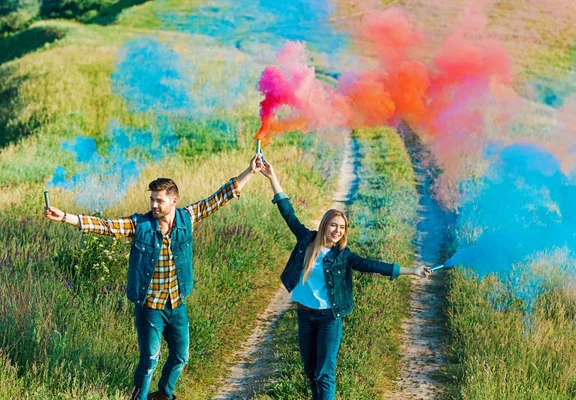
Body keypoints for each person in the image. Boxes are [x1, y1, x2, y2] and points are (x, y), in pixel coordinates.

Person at [44, 155, 263, 400]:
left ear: (173, 201)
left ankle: (165, 394)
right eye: (152, 200)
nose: (154, 205)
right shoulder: (141, 226)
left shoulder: (186, 218)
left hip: (177, 305)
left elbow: (220, 196)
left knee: (181, 356)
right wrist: (65, 217)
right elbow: (104, 226)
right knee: (149, 360)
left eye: (159, 200)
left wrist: (250, 171)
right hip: (150, 307)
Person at [259, 160, 431, 400]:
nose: (337, 230)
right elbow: (288, 212)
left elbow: (373, 265)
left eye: (341, 227)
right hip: (305, 315)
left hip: (329, 318)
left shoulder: (344, 256)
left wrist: (412, 270)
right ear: (324, 226)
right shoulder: (307, 241)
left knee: (325, 373)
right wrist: (271, 177)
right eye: (333, 225)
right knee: (310, 371)